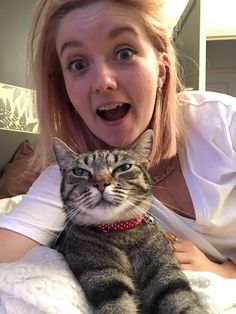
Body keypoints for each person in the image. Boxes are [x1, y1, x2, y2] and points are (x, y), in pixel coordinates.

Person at [0, 0, 235, 279]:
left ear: (161, 69)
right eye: (78, 63)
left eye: (124, 53)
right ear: (64, 88)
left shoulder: (222, 123)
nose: (103, 81)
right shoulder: (72, 177)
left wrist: (224, 271)